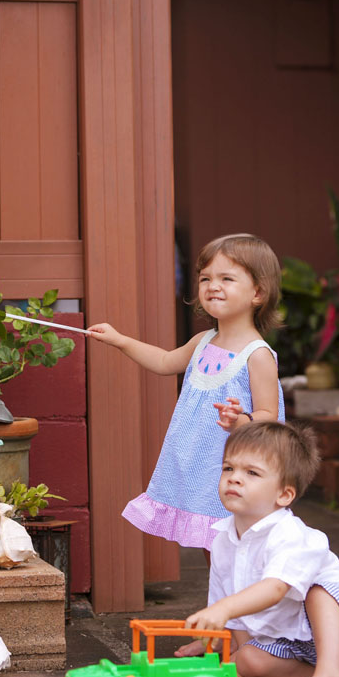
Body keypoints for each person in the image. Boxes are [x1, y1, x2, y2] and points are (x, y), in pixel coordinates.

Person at [86, 234, 285, 558]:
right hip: (199, 466)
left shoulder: (257, 355)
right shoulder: (204, 341)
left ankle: (245, 604)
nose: (212, 286)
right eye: (205, 278)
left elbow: (269, 415)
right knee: (214, 544)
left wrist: (241, 420)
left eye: (226, 278)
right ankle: (222, 604)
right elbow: (165, 362)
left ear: (258, 293)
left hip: (237, 467)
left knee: (241, 544)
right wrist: (119, 340)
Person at [185, 421, 339, 677]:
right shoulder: (222, 541)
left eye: (251, 472)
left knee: (318, 591)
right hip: (295, 641)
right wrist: (236, 661)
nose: (234, 478)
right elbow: (236, 619)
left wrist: (224, 608)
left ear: (284, 495)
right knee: (248, 660)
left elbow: (275, 588)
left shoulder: (290, 534)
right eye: (228, 468)